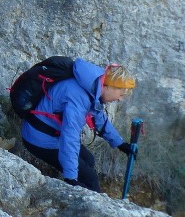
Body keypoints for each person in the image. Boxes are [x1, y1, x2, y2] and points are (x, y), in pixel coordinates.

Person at [19, 60, 136, 191]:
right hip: (38, 138)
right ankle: (76, 201)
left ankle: (69, 185)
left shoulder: (92, 86)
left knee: (89, 160)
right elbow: (70, 136)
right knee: (90, 179)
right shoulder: (78, 97)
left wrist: (120, 143)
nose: (120, 99)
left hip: (50, 133)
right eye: (121, 94)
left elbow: (98, 116)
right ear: (109, 86)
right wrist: (71, 177)